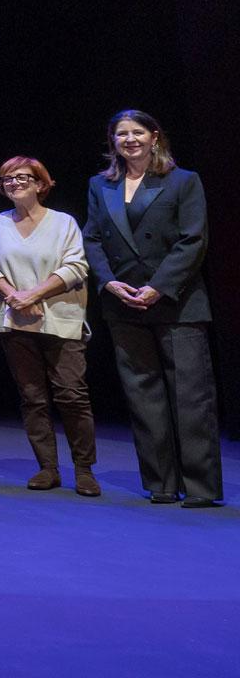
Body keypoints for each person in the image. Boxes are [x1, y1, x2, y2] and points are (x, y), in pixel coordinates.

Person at [82, 109, 221, 507]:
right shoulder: (101, 185)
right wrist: (109, 282)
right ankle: (161, 482)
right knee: (143, 395)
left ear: (154, 136)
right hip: (123, 301)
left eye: (137, 132)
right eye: (121, 134)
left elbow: (193, 240)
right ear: (113, 142)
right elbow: (92, 239)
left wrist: (158, 287)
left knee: (190, 397)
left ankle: (200, 487)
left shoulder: (182, 181)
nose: (130, 139)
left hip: (176, 301)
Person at [0, 157, 97, 496]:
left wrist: (34, 295)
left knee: (71, 394)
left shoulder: (63, 223)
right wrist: (13, 296)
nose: (15, 183)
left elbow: (76, 266)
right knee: (33, 397)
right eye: (8, 178)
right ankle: (47, 468)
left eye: (22, 177)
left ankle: (84, 469)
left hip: (60, 320)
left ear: (41, 183)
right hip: (16, 321)